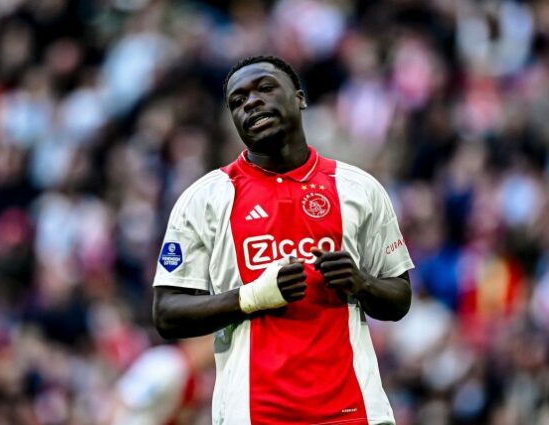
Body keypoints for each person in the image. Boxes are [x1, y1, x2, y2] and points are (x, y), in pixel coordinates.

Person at [152, 55, 414, 425]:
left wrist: (362, 282)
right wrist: (250, 297)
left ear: (300, 98)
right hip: (253, 413)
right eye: (237, 101)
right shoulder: (204, 200)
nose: (251, 103)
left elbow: (400, 297)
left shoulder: (359, 189)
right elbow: (166, 314)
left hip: (354, 412)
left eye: (264, 88)